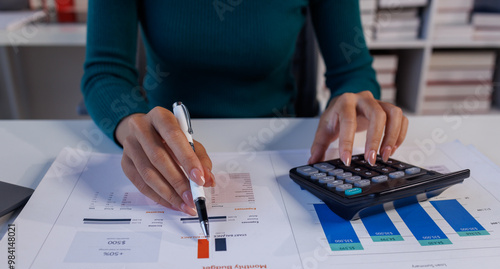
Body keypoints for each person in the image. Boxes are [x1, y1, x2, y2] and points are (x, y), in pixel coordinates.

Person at [81, 0, 408, 217]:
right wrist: (130, 124)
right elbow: (105, 71)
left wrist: (352, 97)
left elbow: (352, 68)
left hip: (279, 147)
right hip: (170, 143)